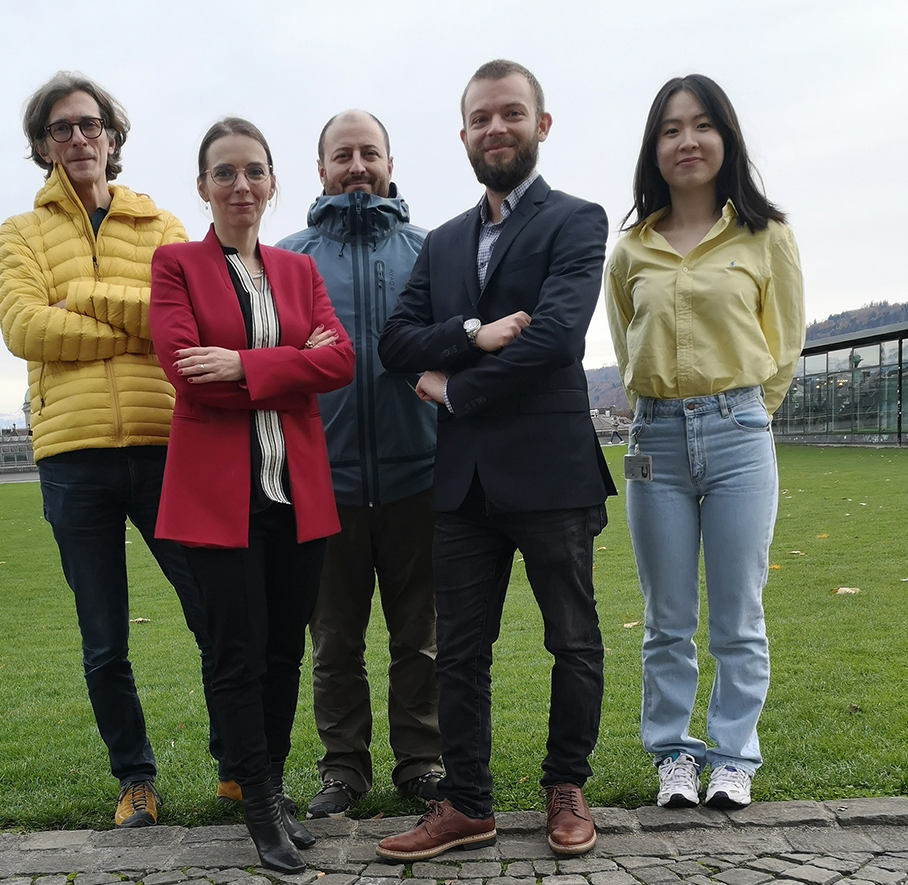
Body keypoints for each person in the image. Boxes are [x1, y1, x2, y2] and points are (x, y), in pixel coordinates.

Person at [373, 60, 615, 861]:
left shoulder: (577, 221)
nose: (495, 128)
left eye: (510, 113)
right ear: (464, 135)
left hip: (550, 472)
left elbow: (555, 338)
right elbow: (394, 343)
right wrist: (471, 335)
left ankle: (565, 785)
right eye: (480, 118)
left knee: (572, 640)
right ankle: (466, 803)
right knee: (460, 651)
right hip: (463, 487)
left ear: (540, 125)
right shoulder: (440, 242)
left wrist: (452, 393)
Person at [0, 71, 225, 829]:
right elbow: (24, 329)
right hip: (72, 457)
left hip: (167, 446)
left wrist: (86, 301)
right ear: (41, 146)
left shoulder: (159, 227)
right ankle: (136, 780)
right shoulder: (19, 234)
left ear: (113, 137)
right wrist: (135, 324)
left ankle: (237, 770)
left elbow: (188, 317)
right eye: (61, 128)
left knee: (214, 615)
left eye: (90, 125)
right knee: (104, 640)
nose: (78, 138)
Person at [149, 117, 354, 873]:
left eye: (254, 171)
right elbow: (184, 372)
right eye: (225, 172)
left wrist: (239, 364)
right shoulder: (174, 266)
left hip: (295, 495)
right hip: (216, 499)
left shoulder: (297, 272)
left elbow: (340, 362)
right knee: (235, 656)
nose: (241, 186)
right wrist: (283, 366)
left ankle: (269, 785)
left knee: (282, 655)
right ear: (203, 187)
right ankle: (260, 801)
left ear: (273, 183)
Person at [605, 75, 804, 810]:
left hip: (738, 435)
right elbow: (624, 343)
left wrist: (742, 415)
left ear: (725, 137)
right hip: (654, 439)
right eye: (669, 129)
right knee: (664, 618)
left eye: (700, 126)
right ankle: (671, 757)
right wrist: (660, 410)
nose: (685, 142)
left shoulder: (765, 236)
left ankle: (730, 757)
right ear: (652, 148)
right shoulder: (629, 249)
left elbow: (783, 345)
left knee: (737, 615)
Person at [275, 110, 443, 819]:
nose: (355, 165)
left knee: (422, 640)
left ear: (389, 160)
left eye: (367, 152)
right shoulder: (286, 259)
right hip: (325, 483)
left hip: (421, 479)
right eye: (341, 154)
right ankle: (342, 769)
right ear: (319, 168)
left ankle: (422, 761)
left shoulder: (431, 251)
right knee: (334, 643)